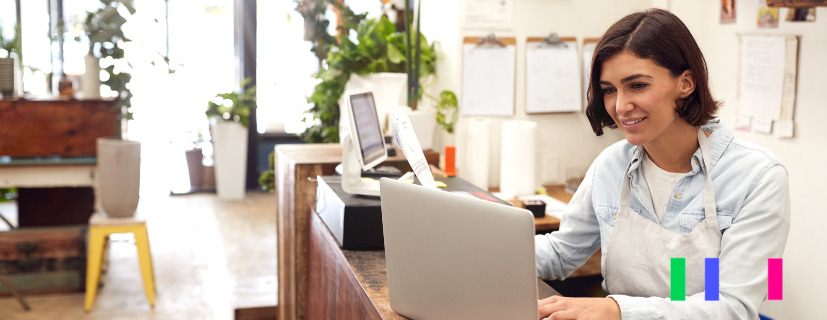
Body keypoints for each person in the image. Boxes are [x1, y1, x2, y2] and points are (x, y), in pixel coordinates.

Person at [535, 8, 790, 320]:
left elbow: (733, 308)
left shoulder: (758, 177)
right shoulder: (611, 165)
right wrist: (478, 249)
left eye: (637, 85)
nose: (620, 106)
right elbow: (560, 253)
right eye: (609, 90)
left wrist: (618, 309)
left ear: (685, 84)